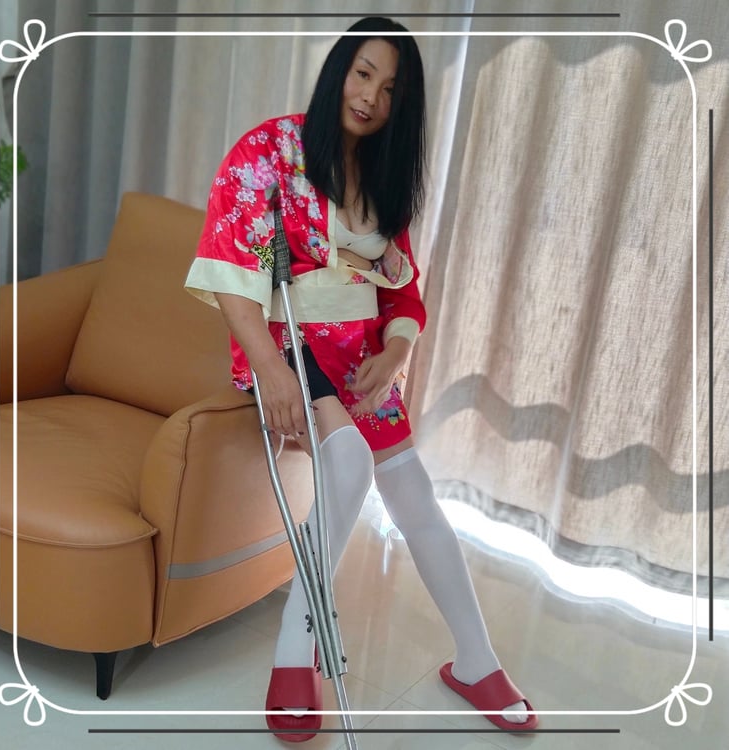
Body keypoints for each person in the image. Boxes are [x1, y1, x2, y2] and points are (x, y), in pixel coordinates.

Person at [185, 16, 537, 741]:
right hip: (289, 344)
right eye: (363, 73)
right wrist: (270, 368)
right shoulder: (269, 149)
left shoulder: (381, 179)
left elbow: (403, 293)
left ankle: (476, 661)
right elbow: (229, 270)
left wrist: (398, 352)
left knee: (416, 498)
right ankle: (297, 648)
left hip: (360, 359)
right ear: (339, 70)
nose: (372, 96)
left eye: (390, 88)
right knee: (347, 459)